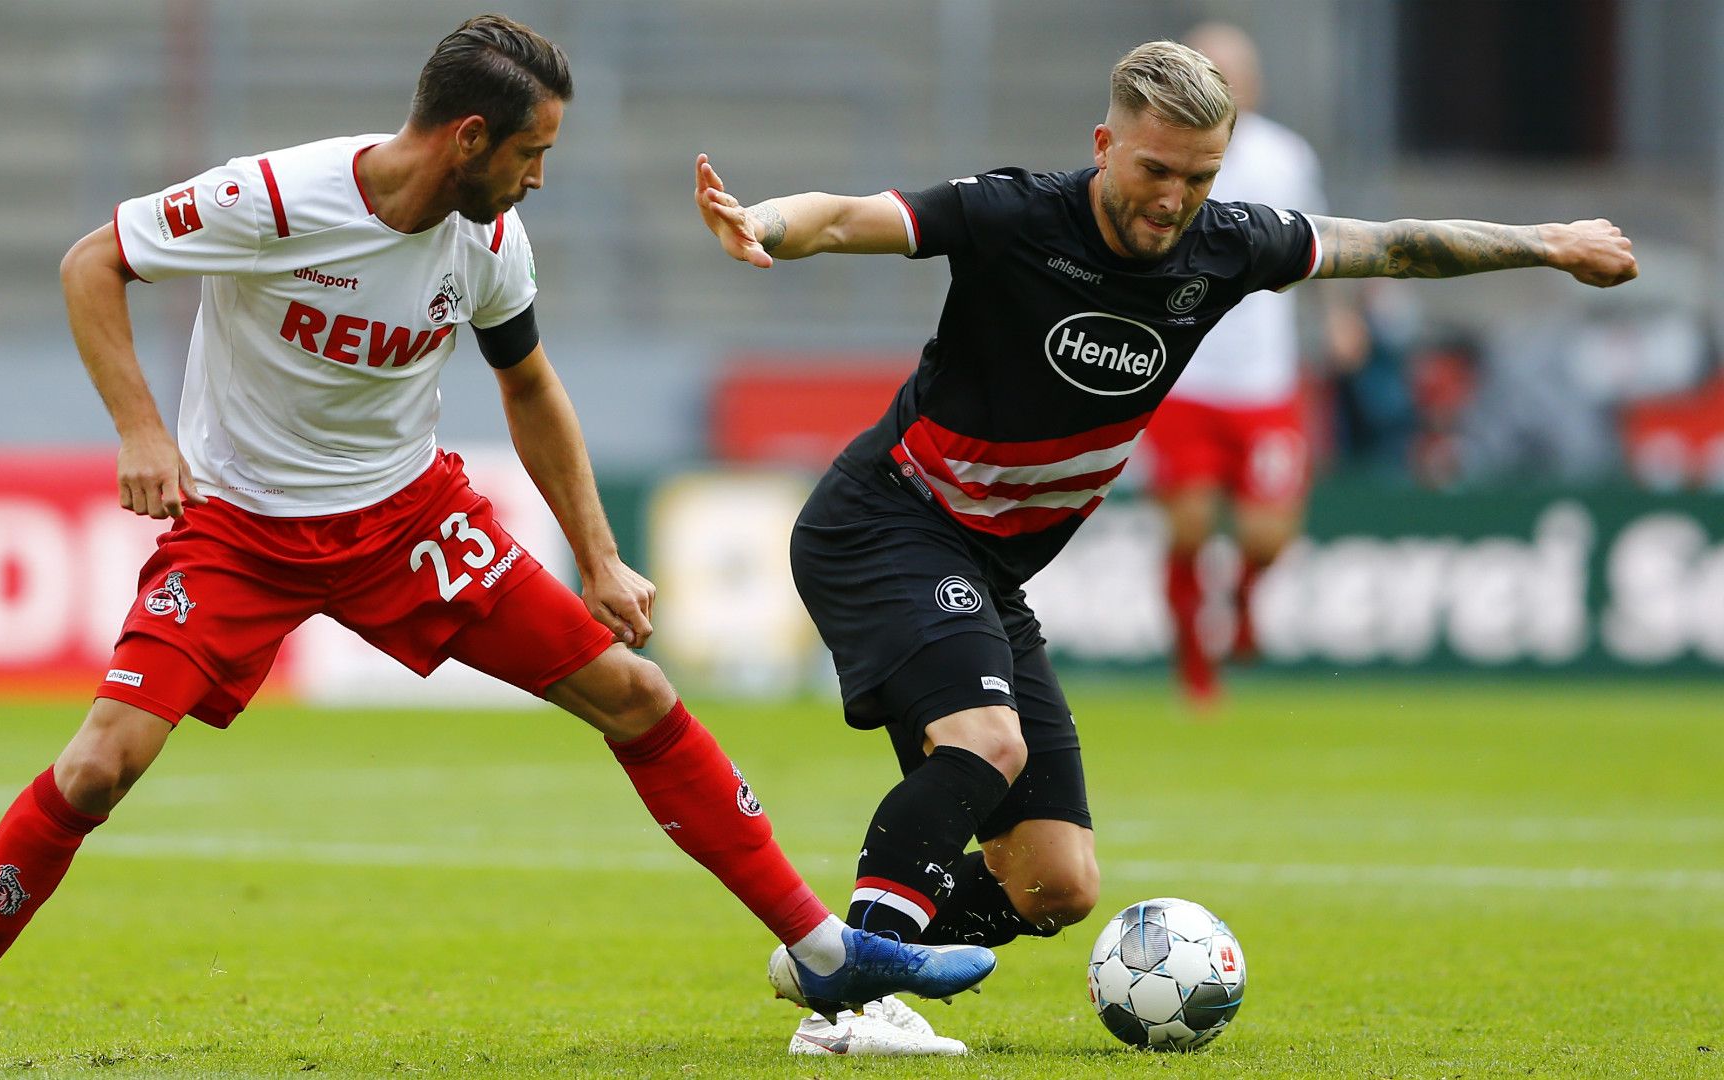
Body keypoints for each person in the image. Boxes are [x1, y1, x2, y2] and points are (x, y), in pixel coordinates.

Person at [0, 15, 992, 1074]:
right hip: (240, 533)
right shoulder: (275, 198)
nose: (538, 177)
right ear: (468, 137)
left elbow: (530, 384)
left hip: (409, 523)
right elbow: (88, 262)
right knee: (99, 767)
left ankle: (829, 955)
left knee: (636, 695)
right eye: (531, 151)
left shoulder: (490, 237)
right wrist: (143, 431)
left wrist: (595, 554)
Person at [695, 39, 1635, 1056]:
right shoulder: (1016, 215)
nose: (1173, 199)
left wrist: (1548, 240)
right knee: (986, 743)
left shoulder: (1226, 246)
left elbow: (1394, 245)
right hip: (889, 520)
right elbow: (849, 217)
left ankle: (837, 949)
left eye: (1200, 177)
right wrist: (767, 225)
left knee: (1055, 882)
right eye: (1154, 169)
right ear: (1106, 145)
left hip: (989, 569)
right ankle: (863, 999)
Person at [1143, 22, 1339, 706]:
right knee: (1191, 526)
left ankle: (1247, 606)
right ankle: (1195, 669)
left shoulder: (1287, 156)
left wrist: (1338, 317)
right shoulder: (1165, 153)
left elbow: (1322, 242)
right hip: (1186, 376)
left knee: (1268, 535)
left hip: (1265, 381)